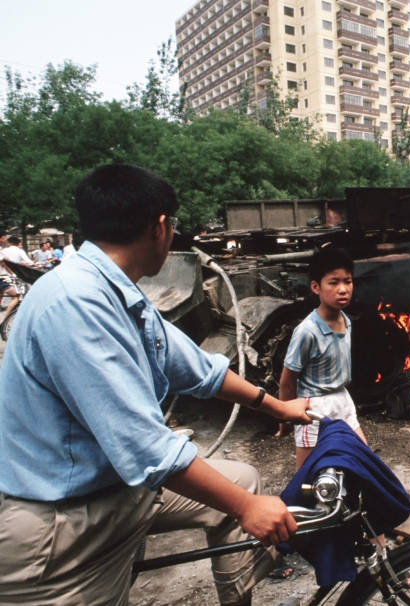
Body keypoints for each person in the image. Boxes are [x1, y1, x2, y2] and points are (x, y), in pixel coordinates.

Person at [0, 164, 313, 606]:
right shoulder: (75, 302)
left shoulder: (120, 293)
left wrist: (278, 407)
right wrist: (246, 509)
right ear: (161, 227)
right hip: (62, 528)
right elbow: (147, 449)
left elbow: (200, 369)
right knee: (241, 500)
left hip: (116, 492)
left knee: (242, 479)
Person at [278, 247, 368, 471]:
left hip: (342, 400)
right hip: (314, 407)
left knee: (364, 460)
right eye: (334, 282)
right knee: (306, 475)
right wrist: (285, 417)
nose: (343, 289)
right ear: (315, 287)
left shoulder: (346, 320)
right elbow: (287, 382)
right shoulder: (307, 331)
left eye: (347, 281)